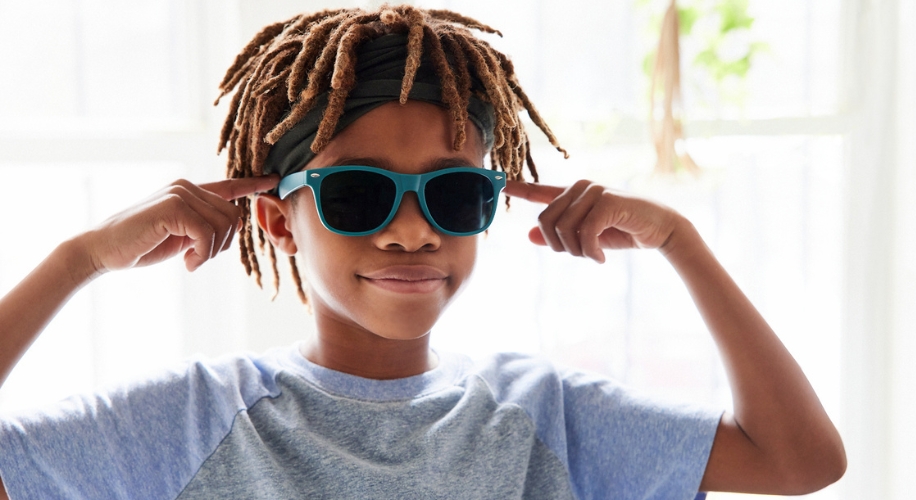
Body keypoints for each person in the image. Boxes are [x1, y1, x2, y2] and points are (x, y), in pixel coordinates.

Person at [0, 5, 845, 499]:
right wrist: (80, 260)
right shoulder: (187, 423)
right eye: (360, 194)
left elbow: (799, 459)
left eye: (454, 193)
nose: (411, 230)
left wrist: (680, 243)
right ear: (277, 220)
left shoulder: (545, 416)